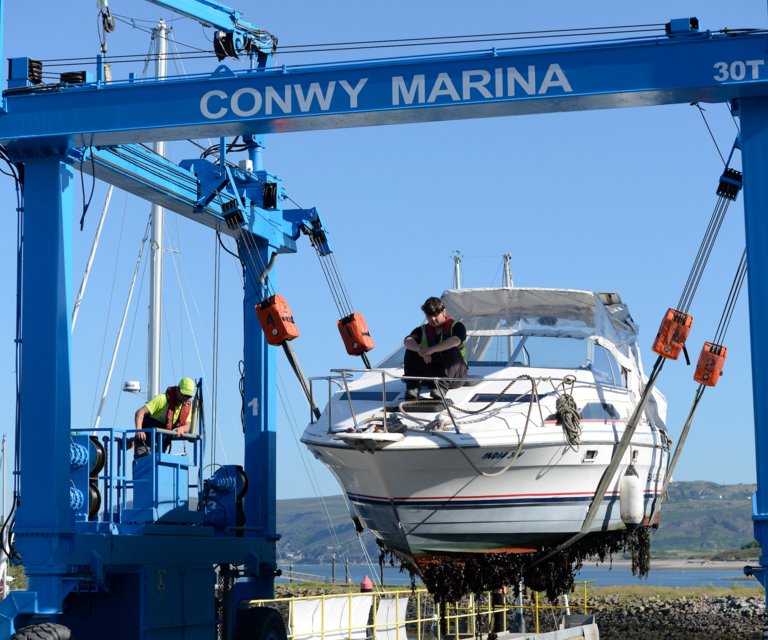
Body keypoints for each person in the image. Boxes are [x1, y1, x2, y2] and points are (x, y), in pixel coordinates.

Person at [403, 296, 468, 399]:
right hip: (432, 375)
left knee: (452, 349)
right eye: (429, 316)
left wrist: (430, 350)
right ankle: (413, 388)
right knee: (410, 350)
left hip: (455, 376)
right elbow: (407, 341)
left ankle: (441, 389)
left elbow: (455, 340)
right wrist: (420, 350)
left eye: (435, 315)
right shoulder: (422, 330)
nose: (433, 319)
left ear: (444, 312)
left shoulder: (457, 327)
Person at [134, 377, 195, 458]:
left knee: (160, 461)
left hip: (163, 437)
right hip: (146, 435)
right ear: (178, 389)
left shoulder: (187, 406)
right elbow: (140, 412)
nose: (185, 398)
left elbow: (188, 425)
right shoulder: (162, 399)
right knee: (144, 461)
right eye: (183, 395)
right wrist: (139, 430)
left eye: (188, 396)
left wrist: (182, 429)